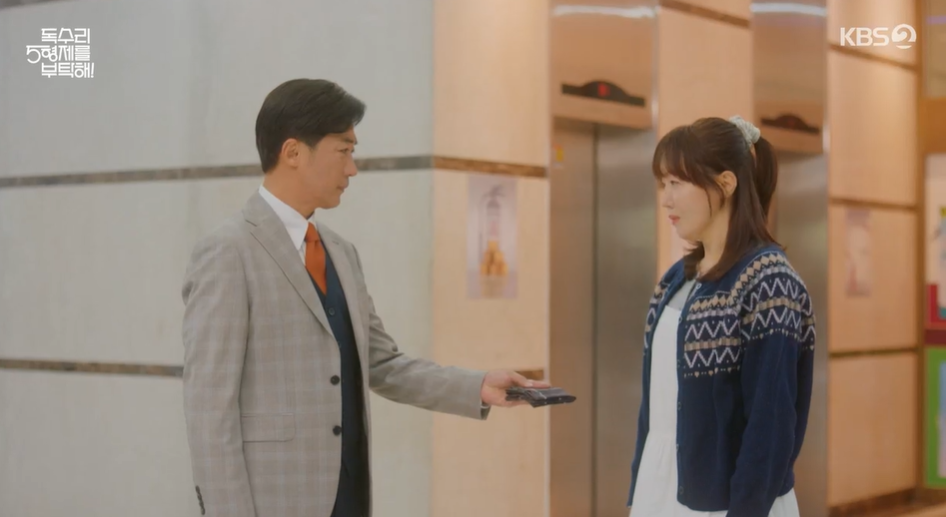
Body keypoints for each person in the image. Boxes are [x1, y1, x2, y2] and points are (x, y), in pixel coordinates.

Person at [181, 78, 548, 517]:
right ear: (293, 152)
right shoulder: (229, 251)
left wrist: (477, 386)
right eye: (344, 150)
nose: (352, 169)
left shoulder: (340, 251)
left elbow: (380, 363)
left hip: (350, 498)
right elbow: (210, 410)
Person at [627, 116, 816, 517]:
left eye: (676, 183)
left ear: (726, 184)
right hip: (662, 489)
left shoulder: (769, 282)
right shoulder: (676, 279)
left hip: (732, 503)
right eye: (663, 184)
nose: (666, 200)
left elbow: (770, 426)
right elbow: (658, 408)